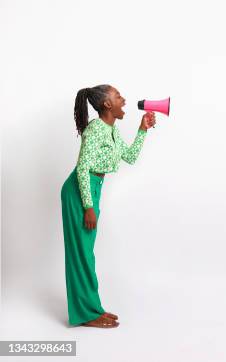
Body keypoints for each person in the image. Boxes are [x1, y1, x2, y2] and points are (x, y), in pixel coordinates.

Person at [60, 84, 156, 328]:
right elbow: (83, 167)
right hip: (79, 192)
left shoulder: (112, 130)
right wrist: (88, 206)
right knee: (81, 254)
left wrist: (142, 130)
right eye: (118, 96)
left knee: (86, 254)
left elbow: (130, 157)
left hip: (93, 190)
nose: (124, 99)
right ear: (107, 104)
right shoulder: (95, 130)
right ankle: (87, 313)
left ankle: (92, 308)